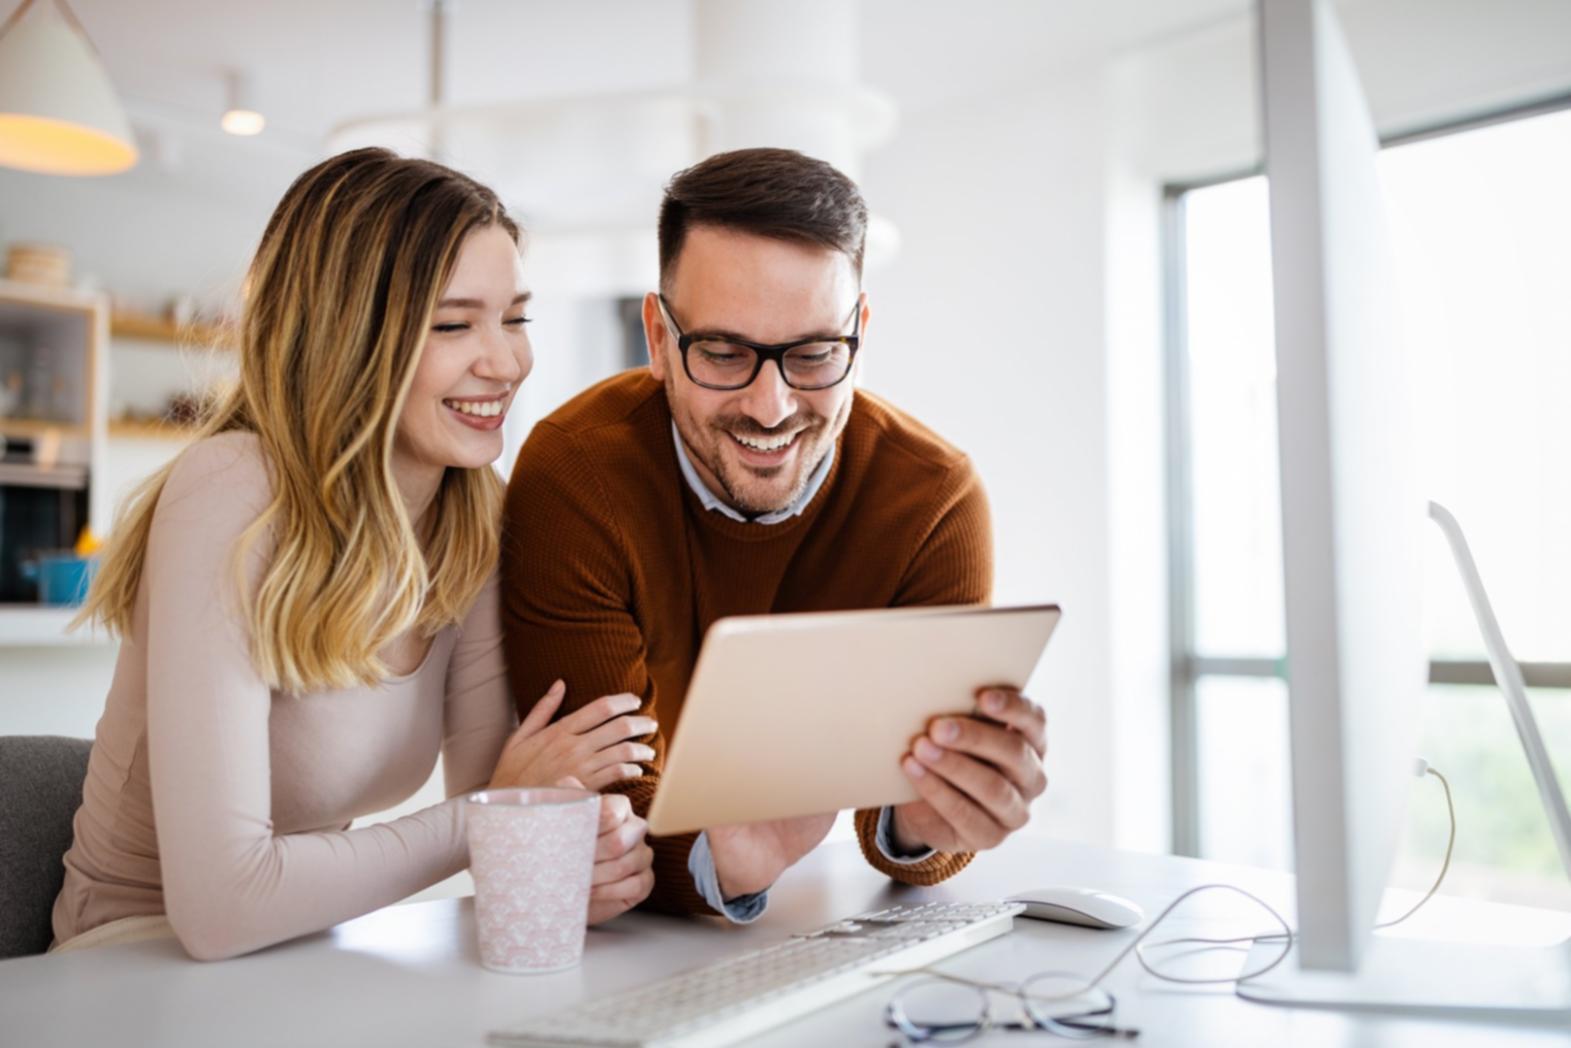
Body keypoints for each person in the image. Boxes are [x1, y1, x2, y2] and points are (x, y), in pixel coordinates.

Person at [53, 148, 655, 960]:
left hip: (301, 952)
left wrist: (585, 848)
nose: (506, 361)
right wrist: (500, 813)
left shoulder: (474, 514)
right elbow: (221, 909)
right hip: (127, 962)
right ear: (347, 337)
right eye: (452, 323)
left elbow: (496, 812)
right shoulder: (230, 489)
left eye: (514, 317)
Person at [499, 148, 1049, 919]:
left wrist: (926, 820)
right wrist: (722, 860)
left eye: (814, 354)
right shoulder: (576, 474)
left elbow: (911, 828)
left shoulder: (934, 502)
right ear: (657, 337)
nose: (770, 406)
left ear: (858, 331)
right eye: (721, 352)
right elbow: (594, 808)